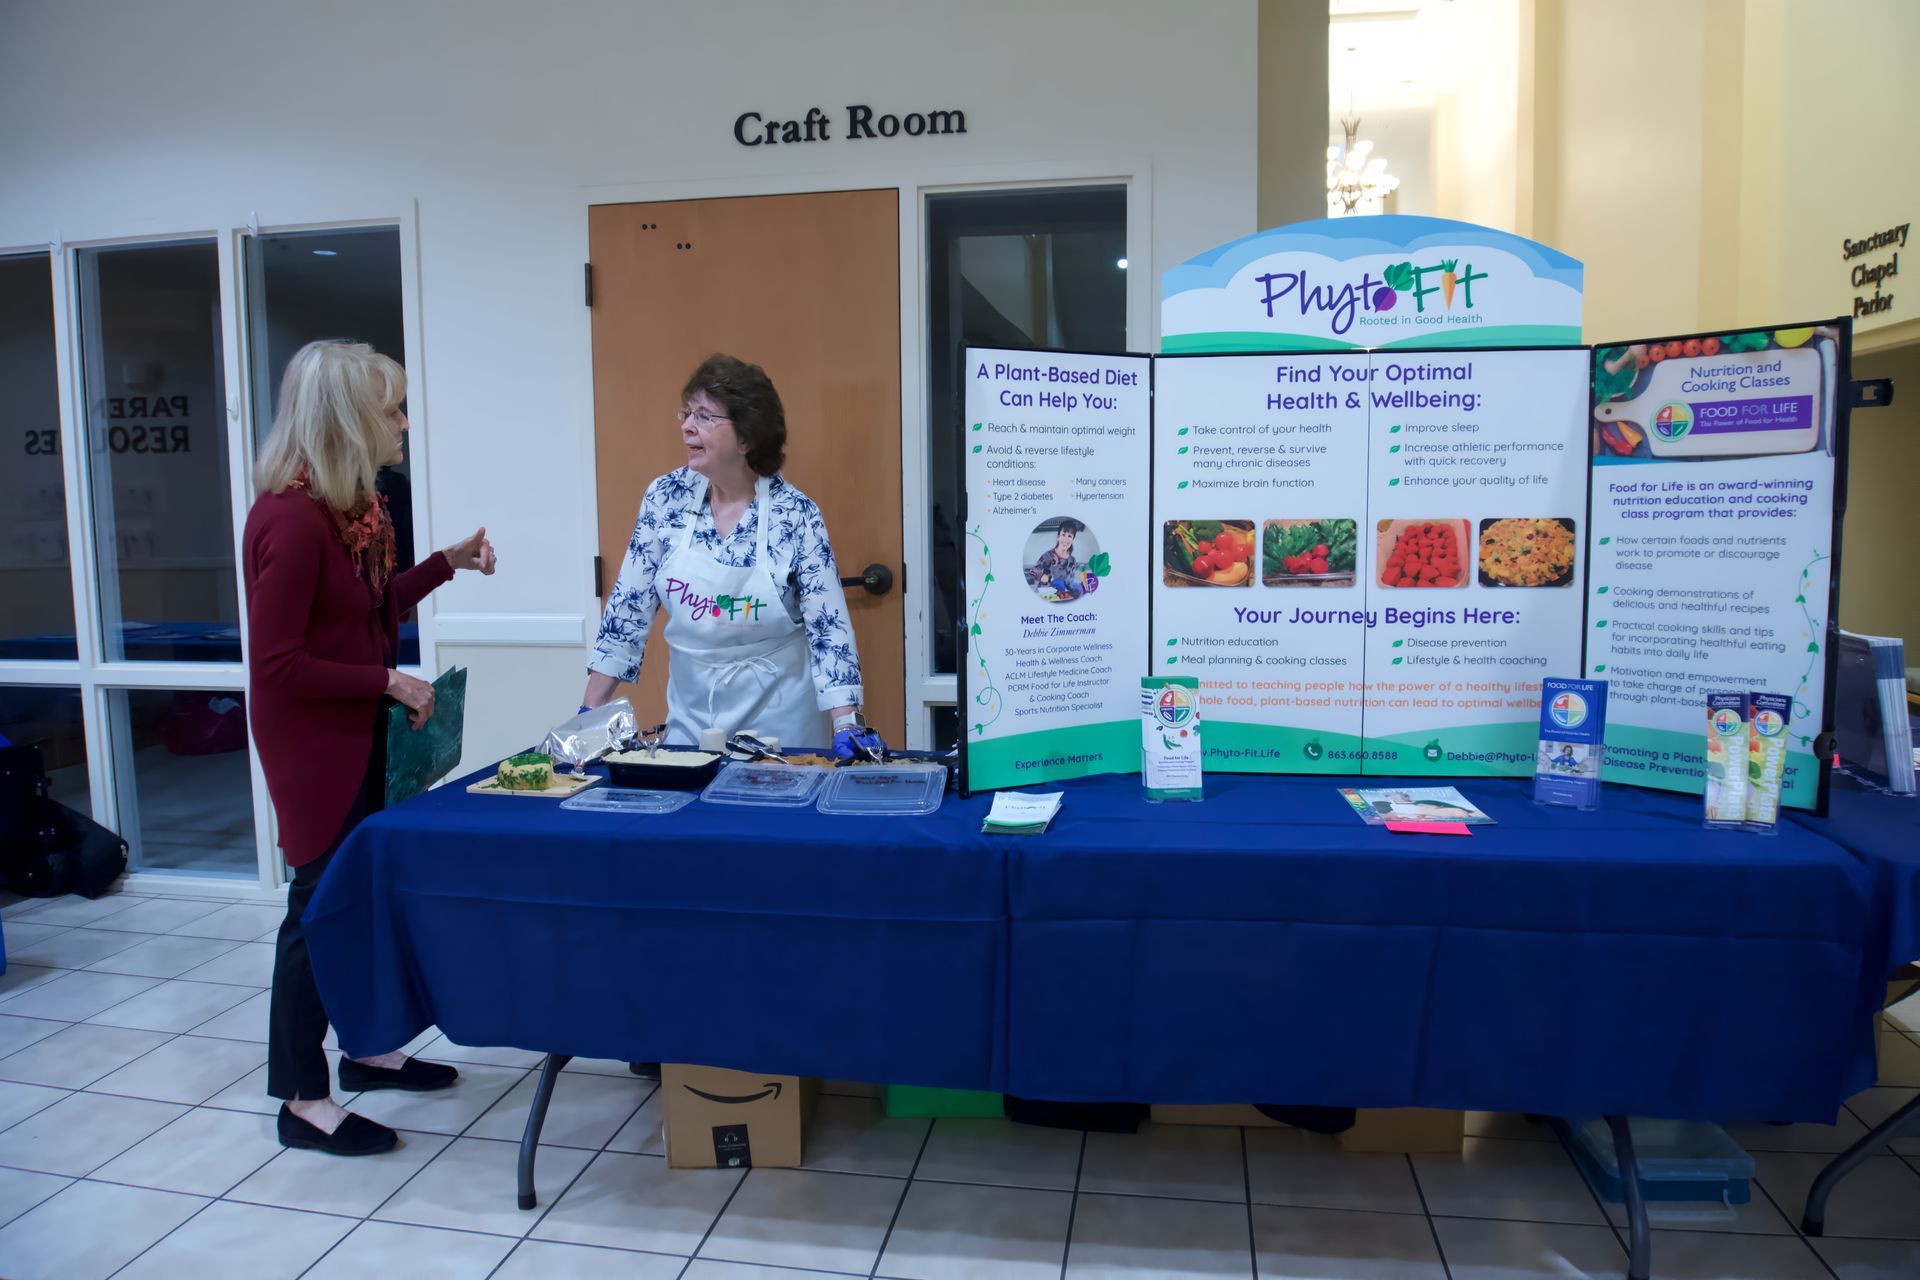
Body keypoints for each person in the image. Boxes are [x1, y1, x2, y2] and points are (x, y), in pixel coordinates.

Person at [245, 340, 496, 1157]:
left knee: (362, 897)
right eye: (392, 410)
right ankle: (301, 1100)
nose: (404, 424)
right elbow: (277, 665)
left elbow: (370, 609)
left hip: (359, 733)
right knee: (316, 912)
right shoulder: (288, 520)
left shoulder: (353, 509)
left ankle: (367, 1053)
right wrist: (387, 681)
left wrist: (446, 565)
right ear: (348, 419)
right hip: (315, 747)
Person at [582, 354, 883, 758]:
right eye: (687, 413)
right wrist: (589, 711)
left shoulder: (796, 515)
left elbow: (829, 631)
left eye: (705, 416)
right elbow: (627, 611)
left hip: (781, 726)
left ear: (746, 438)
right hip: (692, 720)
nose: (687, 426)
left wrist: (847, 724)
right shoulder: (666, 499)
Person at [1026, 519, 1085, 599]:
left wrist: (1078, 589)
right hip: (1044, 597)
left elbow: (1069, 583)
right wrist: (1051, 579)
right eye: (1063, 534)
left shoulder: (1072, 560)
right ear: (1058, 537)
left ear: (1072, 540)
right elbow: (1033, 572)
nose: (1066, 539)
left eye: (1069, 536)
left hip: (1061, 598)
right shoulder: (1048, 556)